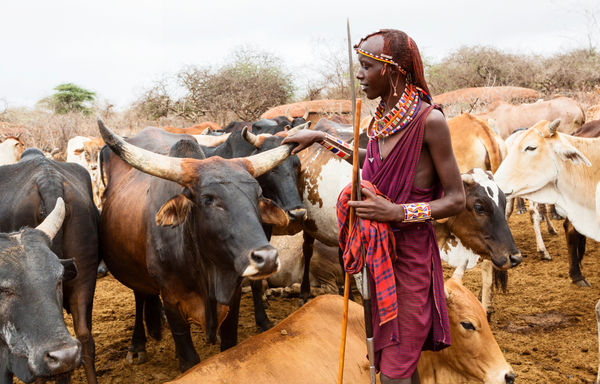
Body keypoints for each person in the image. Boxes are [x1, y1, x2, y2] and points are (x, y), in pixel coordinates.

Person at [282, 29, 465, 384]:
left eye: (366, 67)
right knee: (391, 362)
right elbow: (373, 164)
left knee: (396, 367)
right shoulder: (381, 117)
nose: (359, 75)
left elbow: (456, 199)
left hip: (411, 261)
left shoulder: (431, 121)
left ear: (392, 70)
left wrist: (398, 213)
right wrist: (322, 138)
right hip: (378, 255)